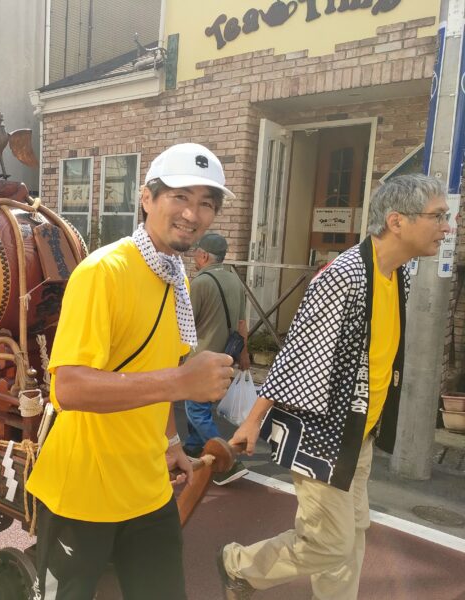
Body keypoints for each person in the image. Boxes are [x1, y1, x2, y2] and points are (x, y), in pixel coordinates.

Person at [217, 174, 450, 600]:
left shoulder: (398, 276)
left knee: (351, 533)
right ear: (397, 221)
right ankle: (239, 564)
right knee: (331, 541)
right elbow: (298, 354)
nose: (447, 227)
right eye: (437, 216)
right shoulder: (345, 275)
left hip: (357, 433)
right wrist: (254, 421)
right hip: (323, 435)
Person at [27, 143, 237, 600]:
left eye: (206, 203)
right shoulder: (104, 271)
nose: (192, 214)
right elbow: (69, 386)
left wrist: (172, 441)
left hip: (147, 487)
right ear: (147, 198)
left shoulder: (175, 275)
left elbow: (158, 367)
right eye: (180, 197)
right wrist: (182, 382)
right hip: (83, 489)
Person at [184, 232, 250, 485]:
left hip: (201, 359)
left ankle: (229, 461)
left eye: (196, 254)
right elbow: (243, 324)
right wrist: (244, 354)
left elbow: (185, 324)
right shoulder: (235, 281)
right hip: (227, 357)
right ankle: (193, 447)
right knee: (201, 407)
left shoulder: (200, 283)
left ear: (203, 255)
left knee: (197, 409)